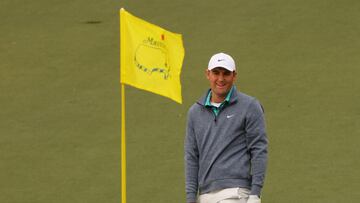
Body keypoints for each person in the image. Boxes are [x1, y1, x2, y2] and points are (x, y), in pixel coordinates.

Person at [184, 53, 268, 203]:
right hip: (204, 196)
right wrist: (191, 199)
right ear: (207, 74)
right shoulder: (194, 113)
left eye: (226, 74)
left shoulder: (249, 106)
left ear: (234, 76)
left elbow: (259, 149)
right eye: (216, 73)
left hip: (235, 193)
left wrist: (255, 193)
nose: (221, 79)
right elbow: (192, 157)